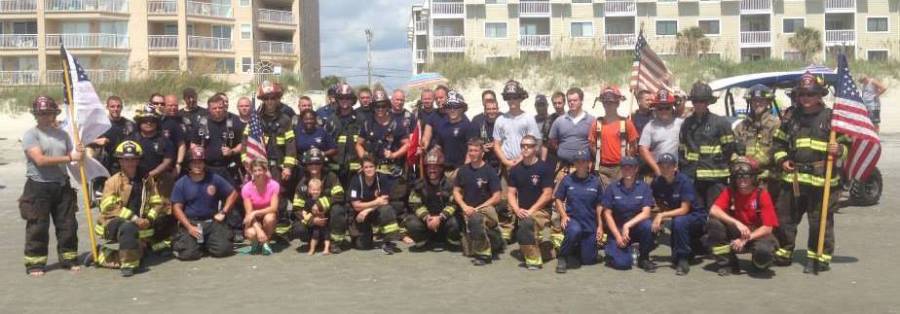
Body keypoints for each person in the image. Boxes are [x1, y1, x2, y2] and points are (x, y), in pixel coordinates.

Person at [772, 72, 849, 274]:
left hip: (822, 180)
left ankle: (818, 257)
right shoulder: (790, 116)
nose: (805, 98)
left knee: (820, 221)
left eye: (810, 94)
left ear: (819, 95)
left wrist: (840, 150)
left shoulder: (832, 117)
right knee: (785, 219)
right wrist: (782, 159)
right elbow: (778, 143)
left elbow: (848, 143)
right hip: (794, 179)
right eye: (802, 94)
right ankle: (783, 253)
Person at [19, 96, 84, 276]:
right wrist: (70, 157)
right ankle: (35, 263)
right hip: (38, 186)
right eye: (42, 113)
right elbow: (40, 160)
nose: (46, 116)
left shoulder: (63, 135)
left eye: (49, 113)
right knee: (38, 226)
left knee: (68, 225)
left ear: (55, 113)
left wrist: (78, 152)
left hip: (62, 185)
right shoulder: (31, 135)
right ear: (36, 115)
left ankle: (69, 259)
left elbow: (74, 157)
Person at [95, 141, 174, 276]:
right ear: (120, 161)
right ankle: (124, 263)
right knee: (129, 229)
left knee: (168, 219)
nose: (130, 163)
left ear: (138, 160)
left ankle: (145, 246)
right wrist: (134, 219)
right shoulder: (112, 182)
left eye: (133, 159)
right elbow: (110, 208)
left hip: (141, 222)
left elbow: (157, 201)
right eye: (126, 159)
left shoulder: (146, 179)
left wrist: (149, 219)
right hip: (115, 223)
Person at [706, 156, 779, 276]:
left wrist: (744, 239)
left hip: (757, 233)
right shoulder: (730, 191)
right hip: (737, 229)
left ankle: (758, 263)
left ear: (753, 177)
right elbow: (714, 210)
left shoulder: (762, 194)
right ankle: (727, 263)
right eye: (738, 176)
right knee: (713, 224)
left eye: (746, 176)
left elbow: (768, 227)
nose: (741, 179)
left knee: (764, 251)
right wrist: (736, 223)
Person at [190, 95, 246, 239]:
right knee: (208, 196)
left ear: (225, 106)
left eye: (220, 107)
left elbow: (244, 144)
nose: (218, 110)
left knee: (233, 196)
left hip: (229, 166)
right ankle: (212, 227)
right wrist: (198, 151)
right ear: (209, 109)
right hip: (208, 167)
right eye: (214, 108)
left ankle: (237, 229)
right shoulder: (201, 123)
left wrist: (232, 151)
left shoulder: (234, 122)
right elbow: (193, 143)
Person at [171, 146, 240, 260]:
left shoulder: (214, 178)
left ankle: (206, 243)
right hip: (192, 223)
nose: (198, 165)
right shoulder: (181, 183)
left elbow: (233, 193)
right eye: (194, 162)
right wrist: (189, 227)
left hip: (212, 222)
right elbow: (176, 208)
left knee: (224, 250)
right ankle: (193, 244)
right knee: (189, 255)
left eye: (200, 162)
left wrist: (223, 212)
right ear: (188, 164)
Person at [679, 82, 735, 211]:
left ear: (708, 102)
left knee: (716, 214)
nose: (699, 104)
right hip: (692, 177)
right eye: (696, 101)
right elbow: (682, 150)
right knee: (696, 214)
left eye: (702, 101)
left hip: (715, 178)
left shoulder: (721, 123)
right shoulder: (687, 123)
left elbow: (729, 148)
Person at [248, 81, 298, 225]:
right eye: (266, 98)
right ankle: (262, 226)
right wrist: (248, 163)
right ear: (263, 100)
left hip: (279, 167)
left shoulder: (285, 120)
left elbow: (290, 144)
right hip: (260, 165)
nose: (269, 101)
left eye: (272, 98)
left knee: (279, 194)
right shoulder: (255, 119)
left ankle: (280, 228)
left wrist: (288, 166)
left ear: (277, 99)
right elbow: (247, 142)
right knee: (261, 194)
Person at [650, 153, 705, 275]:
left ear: (675, 167)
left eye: (668, 166)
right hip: (677, 216)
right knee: (673, 221)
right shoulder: (657, 182)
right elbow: (658, 201)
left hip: (696, 216)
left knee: (679, 221)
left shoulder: (684, 181)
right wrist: (659, 215)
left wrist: (661, 216)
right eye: (662, 166)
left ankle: (683, 260)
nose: (665, 169)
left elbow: (685, 209)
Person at [508, 135, 557, 270]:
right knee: (525, 231)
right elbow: (511, 193)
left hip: (542, 211)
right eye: (523, 145)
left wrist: (531, 210)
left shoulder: (544, 168)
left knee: (526, 225)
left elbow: (547, 194)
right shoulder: (515, 170)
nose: (525, 148)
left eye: (529, 146)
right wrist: (517, 209)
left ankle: (533, 261)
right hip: (523, 211)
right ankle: (545, 249)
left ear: (535, 148)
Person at [454, 138, 503, 266]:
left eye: (476, 150)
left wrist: (477, 209)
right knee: (468, 251)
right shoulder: (463, 171)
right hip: (468, 210)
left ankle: (484, 255)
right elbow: (456, 191)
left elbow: (497, 196)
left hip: (486, 210)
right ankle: (488, 242)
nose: (472, 153)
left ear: (482, 152)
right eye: (470, 150)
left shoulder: (489, 171)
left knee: (475, 219)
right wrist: (464, 206)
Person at [553, 149, 603, 274]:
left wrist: (600, 226)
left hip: (589, 224)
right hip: (572, 221)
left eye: (583, 161)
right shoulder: (567, 180)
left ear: (589, 164)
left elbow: (600, 205)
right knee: (575, 231)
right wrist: (563, 216)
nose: (580, 164)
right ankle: (562, 256)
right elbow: (558, 199)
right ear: (574, 164)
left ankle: (576, 248)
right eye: (578, 162)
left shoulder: (596, 182)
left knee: (588, 260)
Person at [291, 148, 348, 253]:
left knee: (338, 210)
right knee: (297, 228)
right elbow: (297, 209)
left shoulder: (331, 177)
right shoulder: (302, 183)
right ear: (306, 165)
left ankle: (335, 242)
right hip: (313, 219)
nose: (314, 166)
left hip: (328, 217)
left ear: (322, 164)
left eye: (317, 163)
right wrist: (312, 220)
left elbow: (340, 195)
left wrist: (320, 204)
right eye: (310, 163)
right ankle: (314, 240)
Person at [405, 148, 461, 251]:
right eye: (429, 167)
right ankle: (424, 242)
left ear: (441, 168)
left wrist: (440, 218)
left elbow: (453, 204)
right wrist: (427, 218)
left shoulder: (450, 185)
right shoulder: (419, 185)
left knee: (455, 222)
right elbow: (414, 204)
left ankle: (451, 242)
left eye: (435, 167)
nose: (432, 170)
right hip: (427, 222)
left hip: (444, 221)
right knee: (411, 222)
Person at [348, 155, 402, 254]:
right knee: (362, 245)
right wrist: (376, 202)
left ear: (376, 167)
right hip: (359, 215)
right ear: (362, 169)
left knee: (387, 209)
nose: (369, 169)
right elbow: (356, 205)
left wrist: (366, 210)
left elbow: (385, 201)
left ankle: (388, 242)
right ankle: (358, 235)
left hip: (371, 212)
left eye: (371, 166)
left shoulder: (382, 178)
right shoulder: (355, 180)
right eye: (366, 167)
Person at [588, 86, 639, 189]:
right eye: (605, 102)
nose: (608, 105)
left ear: (617, 103)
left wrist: (627, 159)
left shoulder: (626, 123)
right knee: (605, 196)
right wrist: (600, 157)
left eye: (611, 102)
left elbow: (634, 145)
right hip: (602, 168)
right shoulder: (597, 124)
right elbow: (592, 144)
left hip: (621, 168)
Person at [734, 84, 781, 192]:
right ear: (749, 102)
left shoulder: (776, 125)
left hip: (767, 181)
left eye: (761, 100)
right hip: (744, 180)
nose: (757, 103)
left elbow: (775, 149)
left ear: (768, 102)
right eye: (754, 100)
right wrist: (739, 162)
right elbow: (732, 147)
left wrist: (754, 162)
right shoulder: (741, 126)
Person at [493, 80, 542, 174]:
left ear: (520, 98)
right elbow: (496, 145)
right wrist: (505, 161)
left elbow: (535, 143)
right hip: (505, 165)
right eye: (509, 97)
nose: (512, 100)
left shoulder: (528, 118)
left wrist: (519, 159)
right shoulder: (500, 119)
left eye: (515, 97)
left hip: (526, 164)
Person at [549, 87, 595, 181]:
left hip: (584, 167)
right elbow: (552, 142)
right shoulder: (559, 121)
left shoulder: (592, 121)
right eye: (569, 100)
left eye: (575, 100)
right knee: (558, 195)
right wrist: (563, 150)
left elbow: (595, 144)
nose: (572, 103)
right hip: (564, 167)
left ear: (581, 101)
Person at [323, 83, 364, 187]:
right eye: (341, 98)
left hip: (356, 171)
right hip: (335, 172)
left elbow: (367, 145)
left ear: (352, 100)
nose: (344, 100)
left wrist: (365, 163)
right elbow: (325, 144)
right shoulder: (331, 120)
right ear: (337, 100)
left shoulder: (361, 119)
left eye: (347, 98)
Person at [130, 104, 176, 195]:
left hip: (159, 179)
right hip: (135, 179)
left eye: (152, 120)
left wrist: (154, 173)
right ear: (139, 122)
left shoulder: (164, 140)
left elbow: (168, 159)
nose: (149, 123)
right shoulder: (131, 140)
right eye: (145, 121)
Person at [638, 90, 684, 177]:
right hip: (657, 172)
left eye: (667, 108)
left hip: (678, 171)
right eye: (660, 108)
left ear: (672, 107)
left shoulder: (682, 124)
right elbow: (643, 149)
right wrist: (657, 169)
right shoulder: (650, 126)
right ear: (655, 109)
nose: (664, 111)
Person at [429, 91, 477, 172]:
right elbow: (439, 146)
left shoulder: (468, 126)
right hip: (444, 170)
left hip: (462, 169)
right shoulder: (442, 126)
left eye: (456, 107)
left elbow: (471, 150)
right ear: (446, 109)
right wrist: (430, 153)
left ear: (462, 109)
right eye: (449, 107)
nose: (452, 110)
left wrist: (464, 170)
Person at [240, 160, 279, 255]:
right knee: (251, 233)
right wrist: (259, 230)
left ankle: (266, 243)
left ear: (265, 171)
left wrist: (255, 212)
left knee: (269, 218)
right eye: (255, 171)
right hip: (253, 219)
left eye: (260, 170)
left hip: (268, 215)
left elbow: (274, 208)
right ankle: (257, 242)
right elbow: (249, 213)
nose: (257, 173)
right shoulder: (246, 188)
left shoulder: (274, 185)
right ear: (251, 172)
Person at [92, 95, 135, 175]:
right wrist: (96, 141)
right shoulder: (101, 125)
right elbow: (84, 141)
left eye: (118, 106)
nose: (116, 109)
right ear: (107, 107)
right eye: (112, 106)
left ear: (122, 107)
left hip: (125, 165)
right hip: (105, 166)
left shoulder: (129, 124)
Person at [470, 93, 501, 173]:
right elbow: (472, 141)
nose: (491, 111)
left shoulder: (503, 119)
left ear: (498, 108)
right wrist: (481, 147)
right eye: (489, 109)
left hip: (501, 161)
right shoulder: (477, 120)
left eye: (494, 109)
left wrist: (496, 144)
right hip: (484, 161)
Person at [303, 179, 331, 255]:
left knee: (327, 235)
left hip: (324, 221)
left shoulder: (323, 199)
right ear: (309, 190)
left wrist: (323, 212)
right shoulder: (308, 201)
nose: (315, 192)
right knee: (315, 235)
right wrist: (305, 215)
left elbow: (327, 208)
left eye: (318, 190)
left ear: (321, 190)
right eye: (313, 190)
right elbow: (305, 210)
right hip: (315, 223)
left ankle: (326, 249)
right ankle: (312, 249)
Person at [161, 94, 187, 176]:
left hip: (179, 164)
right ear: (164, 106)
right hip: (161, 164)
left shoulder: (184, 120)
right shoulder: (157, 121)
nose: (173, 108)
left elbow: (182, 144)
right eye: (170, 105)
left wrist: (178, 164)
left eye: (175, 105)